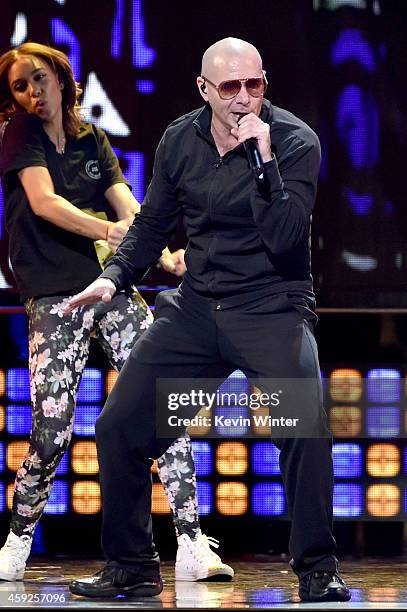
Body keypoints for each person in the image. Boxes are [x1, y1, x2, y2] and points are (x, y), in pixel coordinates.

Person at [64, 37, 351, 602]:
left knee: (304, 429)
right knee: (121, 427)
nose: (245, 98)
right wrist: (114, 277)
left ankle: (317, 569)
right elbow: (153, 227)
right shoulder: (179, 139)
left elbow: (286, 238)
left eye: (255, 85)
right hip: (197, 312)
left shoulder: (294, 142)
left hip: (269, 309)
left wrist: (262, 157)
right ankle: (131, 566)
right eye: (231, 88)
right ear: (205, 90)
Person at [0, 42, 233, 584]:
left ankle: (192, 542)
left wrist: (159, 251)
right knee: (53, 429)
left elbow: (129, 205)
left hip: (110, 290)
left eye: (40, 79)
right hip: (55, 297)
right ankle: (18, 538)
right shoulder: (18, 136)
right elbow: (44, 202)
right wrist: (108, 230)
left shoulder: (92, 139)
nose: (33, 92)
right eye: (19, 86)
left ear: (61, 77)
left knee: (161, 406)